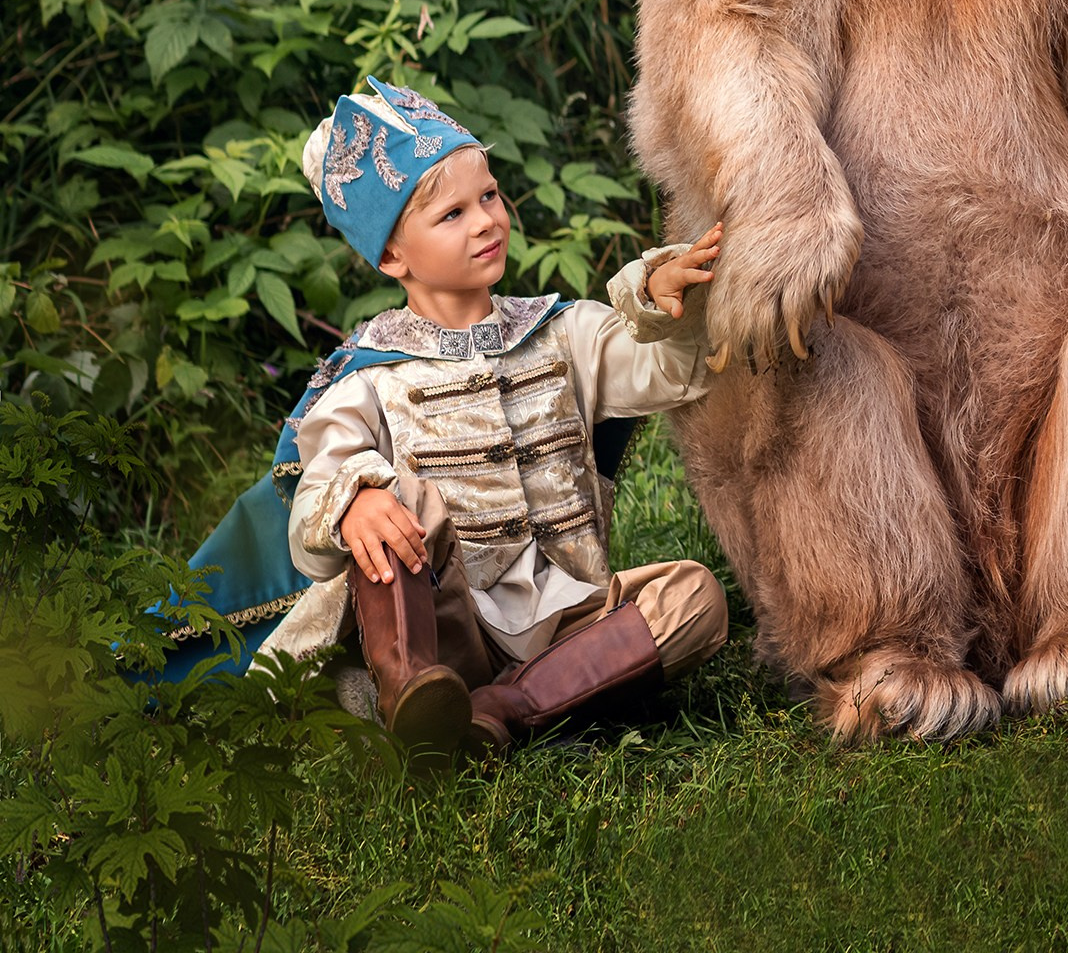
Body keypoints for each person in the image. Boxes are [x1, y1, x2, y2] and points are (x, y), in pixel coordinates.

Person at [170, 77, 728, 758]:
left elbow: (668, 371)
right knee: (392, 501)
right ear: (391, 257)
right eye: (452, 214)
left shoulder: (564, 334)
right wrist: (352, 505)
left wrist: (660, 299)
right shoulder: (372, 376)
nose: (487, 220)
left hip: (574, 621)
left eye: (489, 195)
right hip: (445, 628)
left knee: (696, 597)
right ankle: (413, 690)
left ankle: (501, 709)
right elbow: (314, 506)